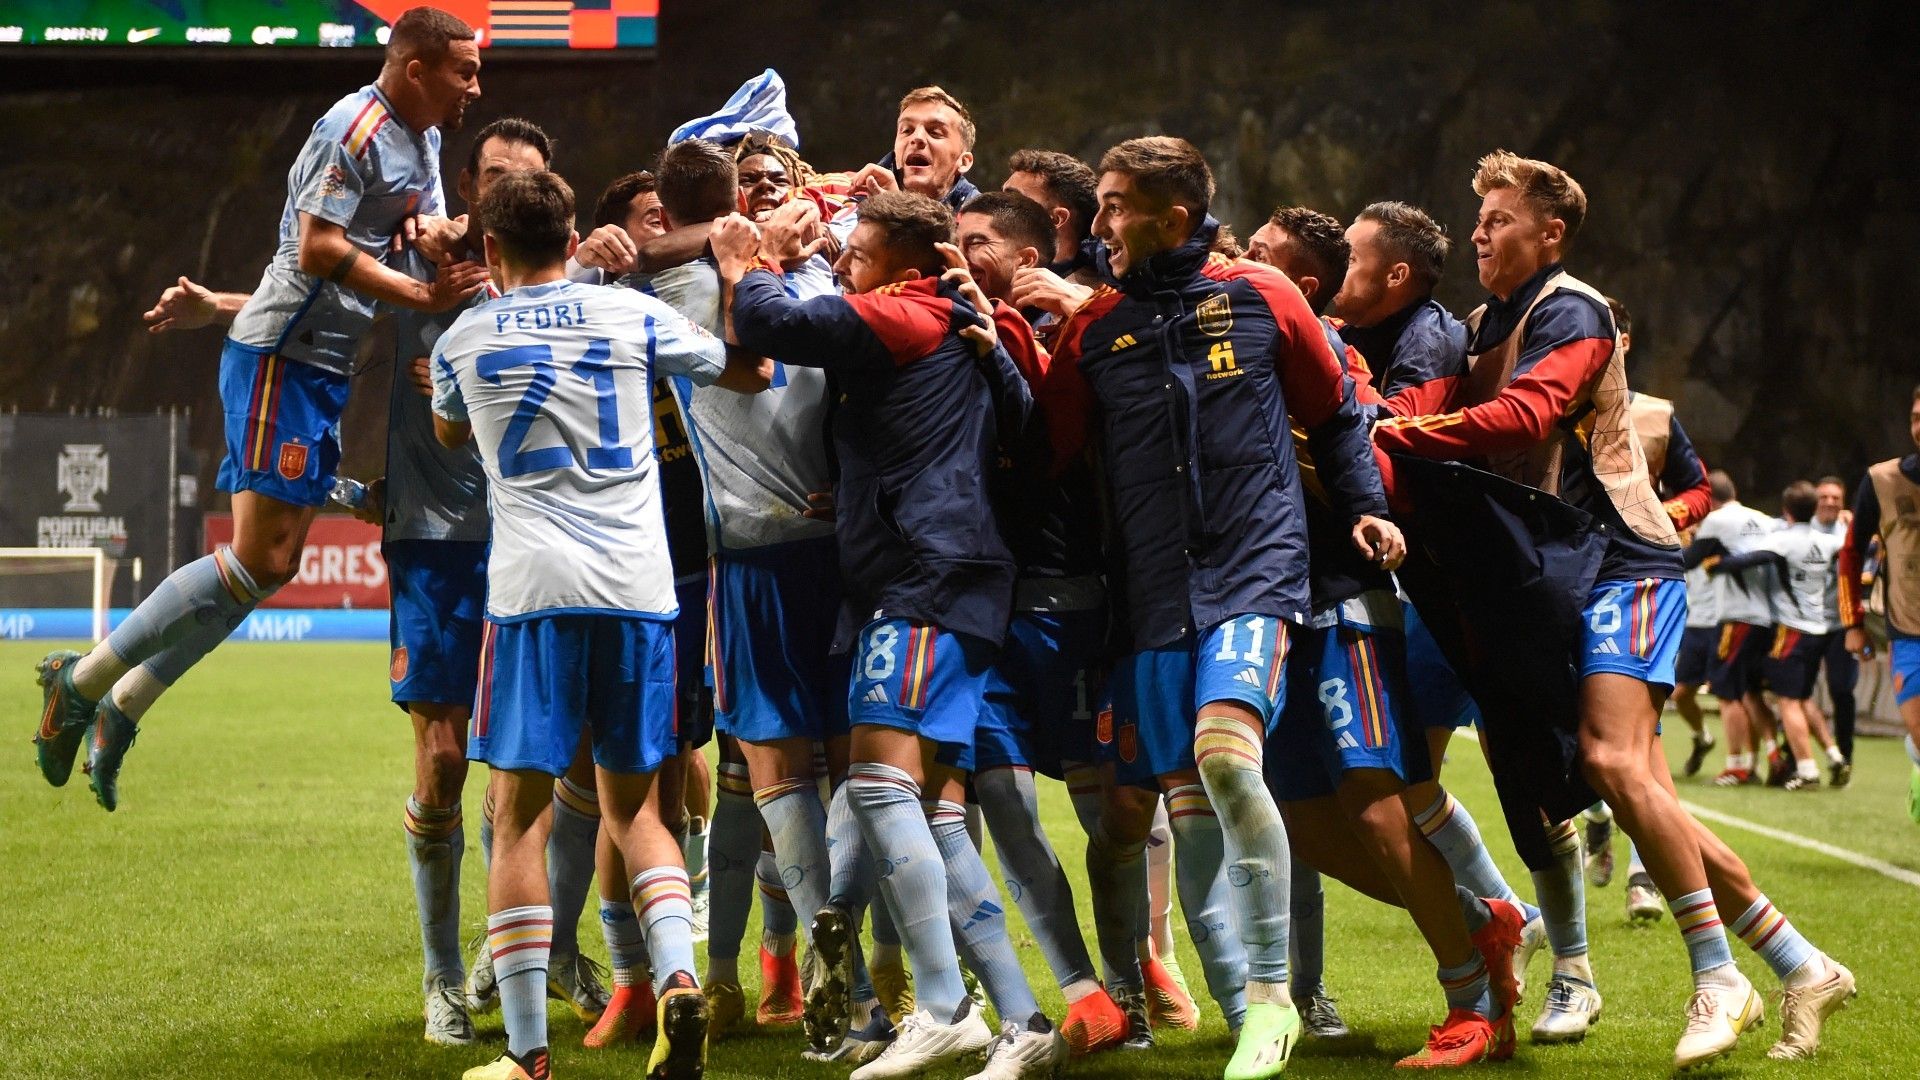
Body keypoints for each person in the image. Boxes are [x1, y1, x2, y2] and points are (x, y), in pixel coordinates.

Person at [1374, 149, 1854, 1068]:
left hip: (1623, 562)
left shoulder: (1577, 309)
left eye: (1499, 219)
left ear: (1550, 232)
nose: (1480, 233)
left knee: (1611, 761)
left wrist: (1402, 431)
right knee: (1629, 787)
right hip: (1547, 571)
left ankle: (1718, 977)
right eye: (1476, 222)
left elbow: (1526, 415)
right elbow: (1444, 412)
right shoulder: (1481, 323)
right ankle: (1798, 962)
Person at [130, 117, 596, 1048]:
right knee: (443, 761)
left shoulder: (567, 282)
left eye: (525, 179)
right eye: (493, 175)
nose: (505, 191)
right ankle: (441, 979)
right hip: (430, 539)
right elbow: (316, 298)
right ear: (466, 186)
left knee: (545, 771)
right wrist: (220, 309)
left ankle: (544, 949)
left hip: (537, 542)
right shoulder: (421, 271)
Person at [34, 6, 488, 812]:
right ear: (416, 68)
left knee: (263, 571)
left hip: (320, 361)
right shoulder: (353, 128)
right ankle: (84, 683)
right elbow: (315, 248)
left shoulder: (423, 137)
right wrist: (421, 287)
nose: (474, 85)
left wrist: (434, 231)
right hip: (283, 357)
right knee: (259, 561)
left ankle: (120, 706)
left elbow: (389, 232)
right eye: (465, 70)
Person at [1051, 137, 1401, 1079]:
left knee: (1226, 760)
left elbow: (1334, 420)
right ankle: (1137, 989)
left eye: (1116, 204)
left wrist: (1367, 511)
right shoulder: (1095, 328)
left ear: (1171, 217)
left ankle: (1273, 1002)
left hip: (1255, 572)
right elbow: (1045, 454)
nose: (1098, 223)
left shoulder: (1263, 295)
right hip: (1150, 599)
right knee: (1146, 812)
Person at [716, 189, 1065, 1080]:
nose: (841, 268)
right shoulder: (952, 325)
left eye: (856, 255)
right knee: (938, 814)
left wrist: (745, 258)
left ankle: (944, 1005)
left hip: (925, 578)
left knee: (873, 781)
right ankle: (1026, 1021)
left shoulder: (910, 312)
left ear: (903, 269)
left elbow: (772, 322)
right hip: (948, 570)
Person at [431, 168, 767, 1080]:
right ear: (574, 232)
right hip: (639, 590)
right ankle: (682, 980)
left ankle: (528, 1054)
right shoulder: (632, 317)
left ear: (491, 250)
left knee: (518, 821)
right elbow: (752, 368)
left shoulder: (462, 337)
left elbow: (452, 432)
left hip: (533, 596)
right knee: (638, 811)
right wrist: (737, 278)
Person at [1250, 204, 1530, 1065]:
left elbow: (1371, 444)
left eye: (1258, 256)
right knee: (1304, 823)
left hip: (1345, 595)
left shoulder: (1333, 356)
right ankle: (1485, 921)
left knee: (1381, 800)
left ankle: (1469, 1003)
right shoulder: (1238, 344)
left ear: (1298, 286)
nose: (1238, 261)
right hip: (1269, 599)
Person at [626, 138, 874, 1060]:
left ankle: (822, 943)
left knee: (788, 774)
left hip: (772, 556)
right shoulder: (831, 281)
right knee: (836, 769)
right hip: (823, 554)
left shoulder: (674, 296)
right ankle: (830, 952)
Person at [954, 189, 1133, 1057]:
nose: (961, 252)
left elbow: (1041, 447)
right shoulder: (955, 330)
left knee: (1110, 817)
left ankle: (1135, 981)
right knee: (1002, 798)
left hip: (1068, 606)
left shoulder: (1064, 335)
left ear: (1027, 256)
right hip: (984, 614)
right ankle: (1084, 991)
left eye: (978, 241)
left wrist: (1026, 335)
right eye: (955, 239)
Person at [1696, 482, 1850, 789]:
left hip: (1791, 629)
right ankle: (1831, 756)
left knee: (1786, 700)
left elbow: (1747, 560)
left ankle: (1804, 770)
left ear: (1786, 511)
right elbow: (1856, 550)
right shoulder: (1829, 542)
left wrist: (1715, 564)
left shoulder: (1783, 542)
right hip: (1818, 629)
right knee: (1780, 694)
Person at [1840, 386, 1920, 823]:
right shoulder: (1882, 480)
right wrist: (1853, 622)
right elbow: (1851, 553)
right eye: (1915, 417)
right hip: (1910, 629)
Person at [1693, 471, 1783, 786]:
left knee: (1727, 692)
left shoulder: (1716, 521)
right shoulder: (1766, 521)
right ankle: (1764, 758)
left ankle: (1736, 766)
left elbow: (1689, 559)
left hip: (1736, 616)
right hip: (1767, 618)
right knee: (1749, 691)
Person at [1812, 475, 1860, 766]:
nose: (1830, 502)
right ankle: (1794, 758)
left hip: (1841, 626)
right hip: (1804, 623)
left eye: (1836, 498)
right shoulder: (1801, 527)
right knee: (1797, 692)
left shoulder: (1851, 531)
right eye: (1824, 497)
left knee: (1842, 691)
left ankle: (1846, 755)